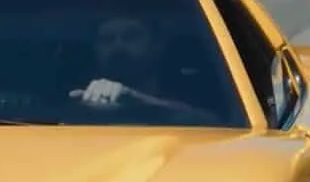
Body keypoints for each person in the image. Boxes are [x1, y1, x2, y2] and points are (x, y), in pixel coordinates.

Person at [69, 15, 213, 120]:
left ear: (156, 45)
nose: (118, 46)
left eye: (131, 37)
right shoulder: (77, 105)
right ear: (96, 50)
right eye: (107, 39)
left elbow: (211, 124)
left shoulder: (193, 91)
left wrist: (137, 100)